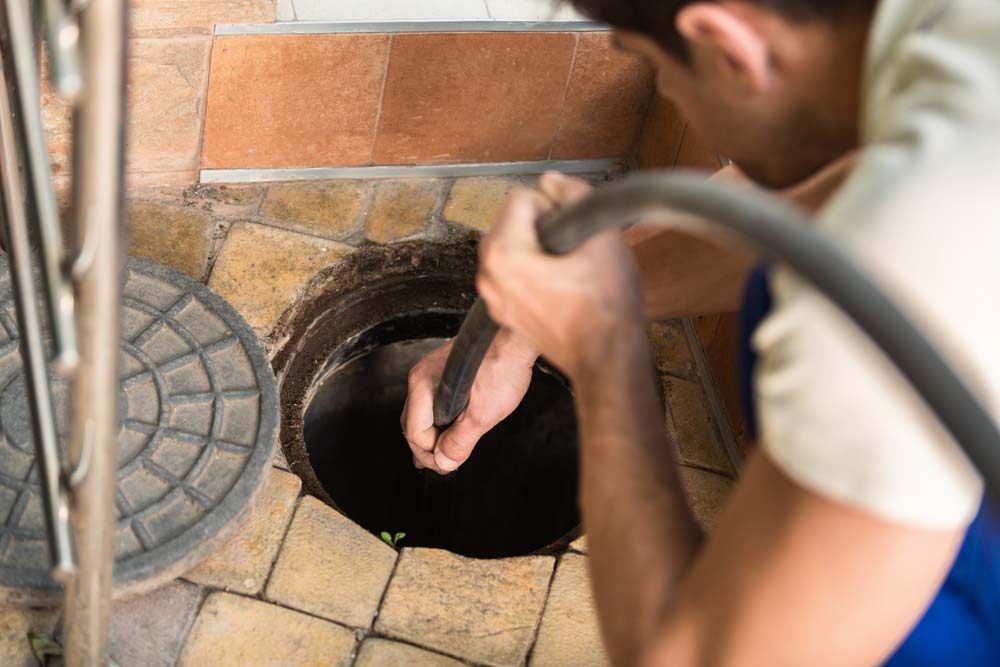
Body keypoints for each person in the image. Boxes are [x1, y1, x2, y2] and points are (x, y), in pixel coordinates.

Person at [401, 0, 1000, 664]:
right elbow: (807, 205)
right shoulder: (942, 39)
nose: (662, 89)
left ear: (726, 42)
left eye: (653, 65)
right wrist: (523, 333)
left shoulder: (914, 246)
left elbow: (694, 656)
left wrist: (603, 353)